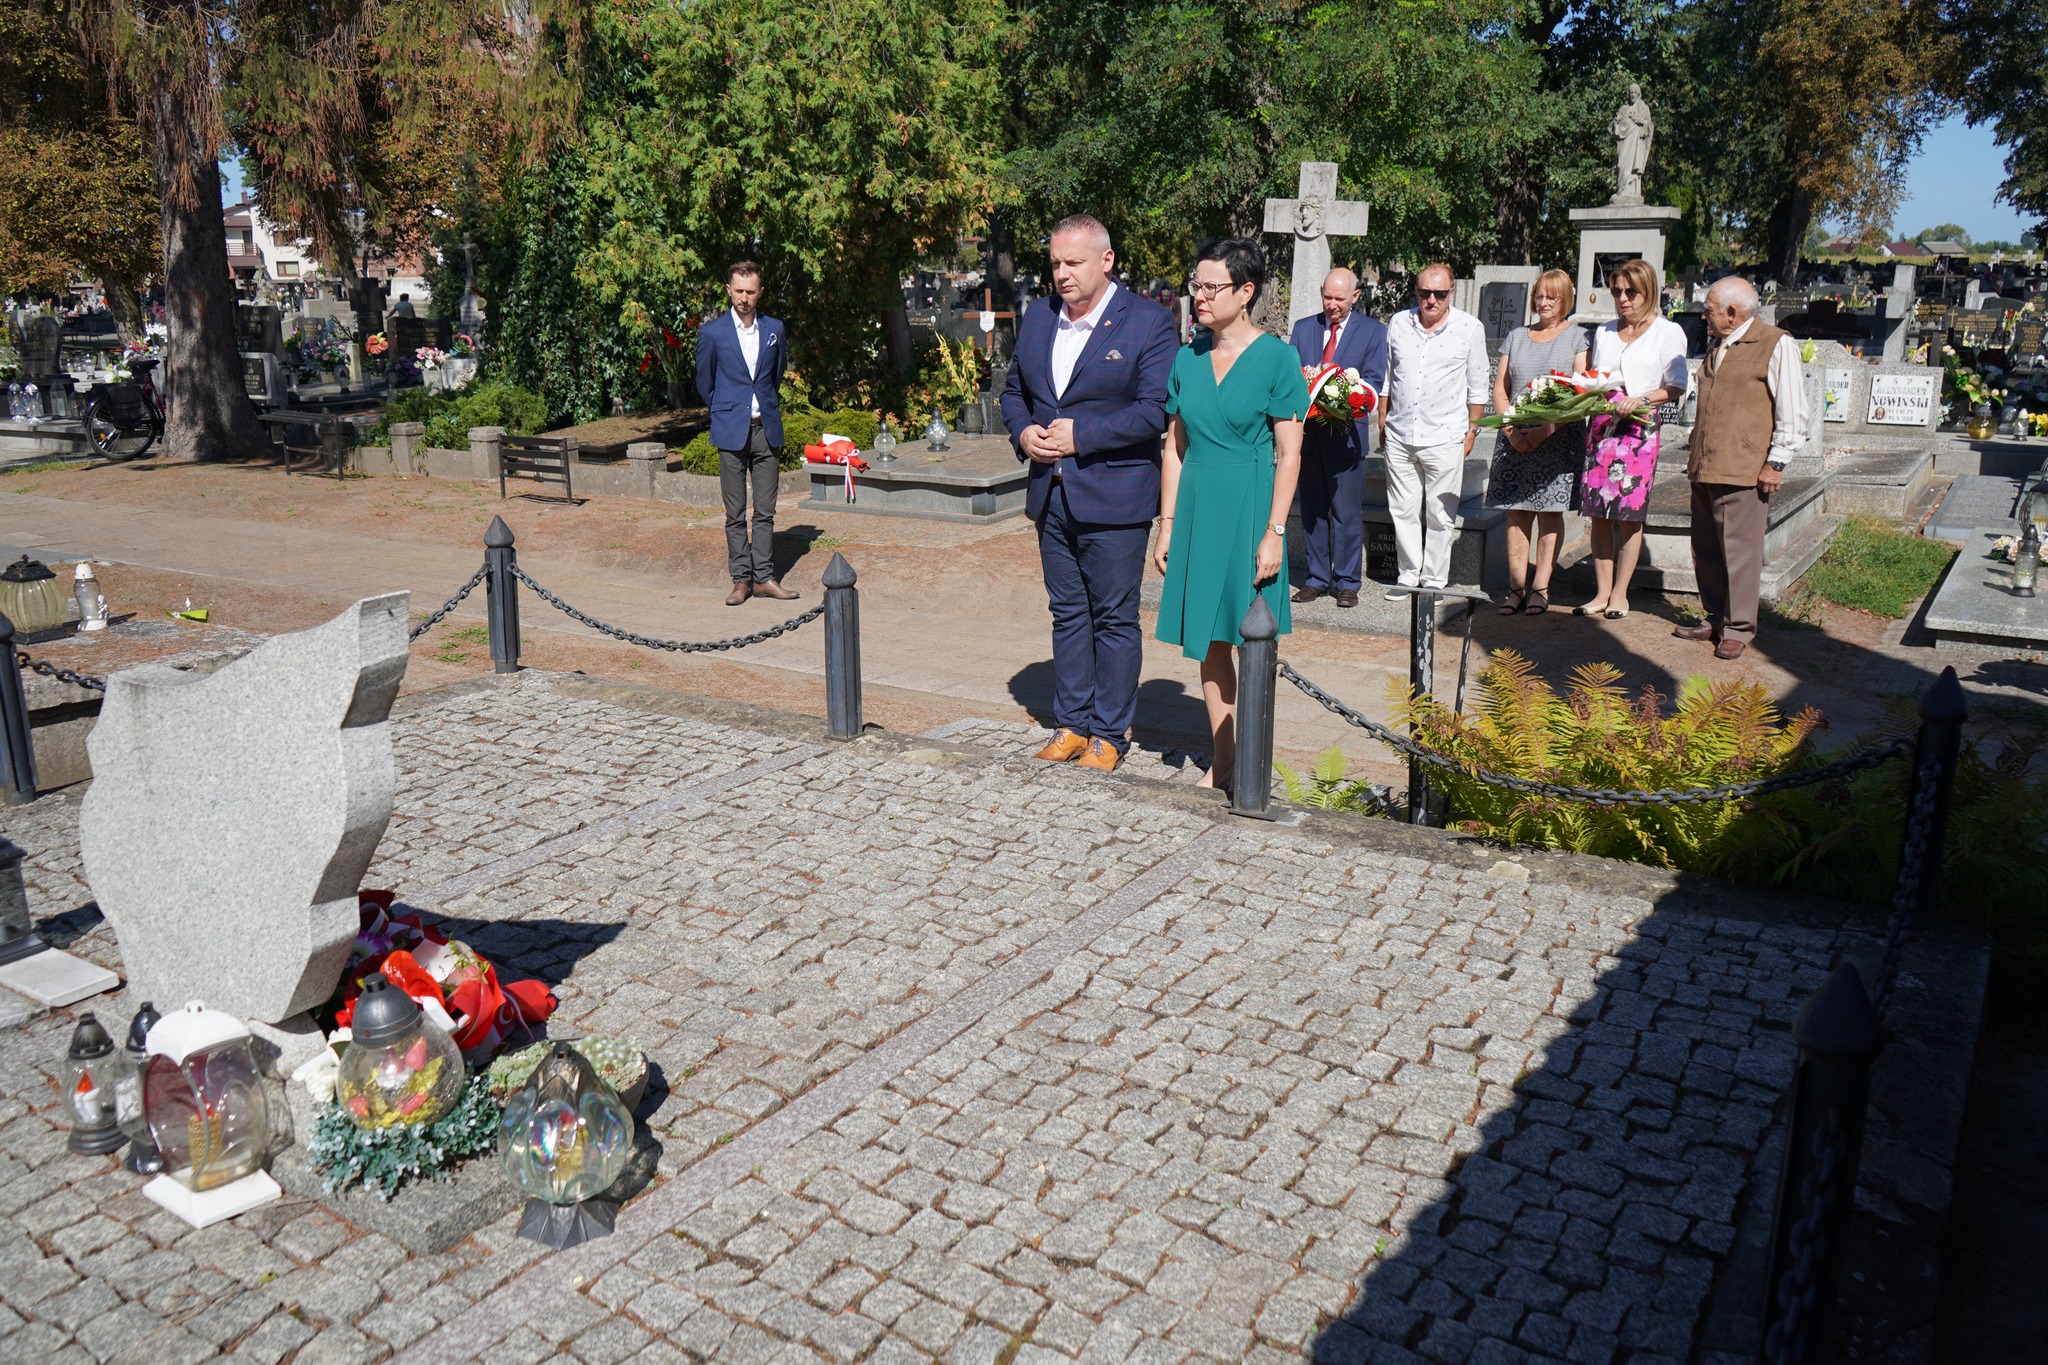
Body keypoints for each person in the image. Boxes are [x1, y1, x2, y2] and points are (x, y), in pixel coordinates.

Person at [1000, 214, 1178, 773]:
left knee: (1114, 616)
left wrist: (1083, 436)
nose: (1061, 274)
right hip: (1050, 495)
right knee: (1068, 613)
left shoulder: (1148, 323)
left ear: (1107, 260)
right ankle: (1072, 723)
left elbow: (1154, 412)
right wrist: (1024, 432)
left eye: (1072, 262)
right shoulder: (1039, 317)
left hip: (1114, 495)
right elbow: (1013, 390)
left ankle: (1109, 732)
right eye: (1055, 262)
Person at [1153, 238, 1308, 791]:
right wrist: (1166, 524)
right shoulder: (1185, 357)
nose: (1198, 295)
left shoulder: (1277, 358)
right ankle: (1224, 759)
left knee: (1251, 638)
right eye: (1195, 284)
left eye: (1210, 286)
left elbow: (1290, 452)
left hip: (1250, 506)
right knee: (1211, 638)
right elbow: (1174, 448)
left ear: (1245, 293)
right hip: (1196, 506)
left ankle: (1252, 760)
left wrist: (1275, 532)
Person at [1677, 276, 1804, 661]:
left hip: (1745, 469)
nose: (1704, 316)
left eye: (1710, 309)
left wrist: (1776, 461)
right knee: (1707, 549)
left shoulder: (1775, 343)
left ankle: (1739, 627)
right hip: (1706, 464)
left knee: (1740, 553)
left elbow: (1793, 410)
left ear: (1732, 313)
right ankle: (1716, 616)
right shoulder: (1720, 345)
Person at [1575, 258, 1688, 619]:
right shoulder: (1605, 331)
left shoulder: (1667, 332)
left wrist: (1640, 399)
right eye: (1617, 292)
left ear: (1649, 292)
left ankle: (1620, 594)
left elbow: (1676, 384)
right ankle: (1601, 592)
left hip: (1639, 426)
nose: (1623, 299)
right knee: (1598, 513)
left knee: (1628, 513)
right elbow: (1595, 376)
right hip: (1602, 426)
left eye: (1631, 292)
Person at [1379, 264, 1489, 597]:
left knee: (1441, 514)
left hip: (1444, 435)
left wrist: (1472, 431)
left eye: (1439, 294)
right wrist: (1383, 420)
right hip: (1400, 433)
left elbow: (1478, 386)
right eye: (1425, 292)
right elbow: (1388, 376)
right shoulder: (1399, 322)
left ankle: (1435, 582)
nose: (1431, 300)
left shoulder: (1469, 328)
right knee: (1403, 509)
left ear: (1451, 293)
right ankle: (1408, 576)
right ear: (1416, 291)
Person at [1483, 269, 1589, 615]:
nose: (1543, 303)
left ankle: (1540, 588)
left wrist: (1544, 430)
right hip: (1515, 434)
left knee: (1549, 514)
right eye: (1539, 296)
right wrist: (1511, 429)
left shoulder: (1577, 339)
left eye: (1552, 297)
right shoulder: (1516, 336)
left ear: (1565, 301)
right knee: (1516, 515)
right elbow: (1500, 387)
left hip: (1557, 436)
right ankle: (1516, 588)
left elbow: (1579, 392)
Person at [695, 262, 797, 606]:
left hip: (766, 430)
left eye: (750, 291)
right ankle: (741, 580)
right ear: (728, 290)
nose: (744, 298)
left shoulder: (775, 329)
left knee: (765, 511)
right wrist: (724, 409)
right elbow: (704, 382)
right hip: (730, 431)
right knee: (734, 513)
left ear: (760, 292)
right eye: (738, 291)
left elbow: (776, 374)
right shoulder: (712, 332)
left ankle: (764, 577)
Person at [1288, 268, 1388, 608]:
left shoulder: (1373, 332)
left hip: (1347, 436)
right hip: (1309, 435)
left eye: (1339, 299)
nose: (1332, 305)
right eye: (1327, 297)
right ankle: (1316, 578)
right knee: (1313, 510)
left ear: (1355, 297)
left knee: (1346, 513)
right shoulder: (1303, 329)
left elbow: (1374, 382)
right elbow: (1291, 375)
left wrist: (1345, 396)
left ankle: (1346, 582)